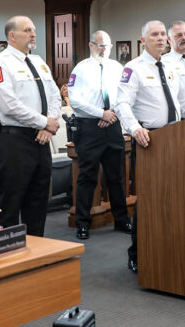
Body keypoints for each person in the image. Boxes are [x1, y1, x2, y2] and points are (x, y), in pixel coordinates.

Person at [114, 20, 183, 273]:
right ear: (143, 40)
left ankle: (169, 250)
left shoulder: (172, 66)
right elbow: (122, 104)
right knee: (150, 202)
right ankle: (138, 253)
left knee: (176, 199)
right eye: (154, 35)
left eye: (163, 34)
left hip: (177, 138)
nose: (161, 38)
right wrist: (135, 129)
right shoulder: (133, 69)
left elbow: (181, 104)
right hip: (150, 140)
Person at [0, 15, 61, 237]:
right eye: (27, 30)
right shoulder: (0, 63)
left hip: (41, 140)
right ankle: (8, 257)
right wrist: (44, 122)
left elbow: (55, 96)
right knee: (10, 203)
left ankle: (35, 252)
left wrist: (49, 126)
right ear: (12, 36)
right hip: (13, 141)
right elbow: (8, 105)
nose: (33, 34)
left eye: (33, 30)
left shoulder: (38, 62)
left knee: (38, 202)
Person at [68, 30, 132, 240]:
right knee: (87, 178)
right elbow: (75, 100)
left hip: (113, 126)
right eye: (100, 45)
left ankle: (122, 220)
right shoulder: (81, 69)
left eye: (107, 46)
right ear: (90, 45)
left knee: (116, 177)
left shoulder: (117, 67)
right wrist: (100, 113)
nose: (104, 50)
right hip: (90, 128)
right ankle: (83, 223)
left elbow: (125, 95)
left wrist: (110, 113)